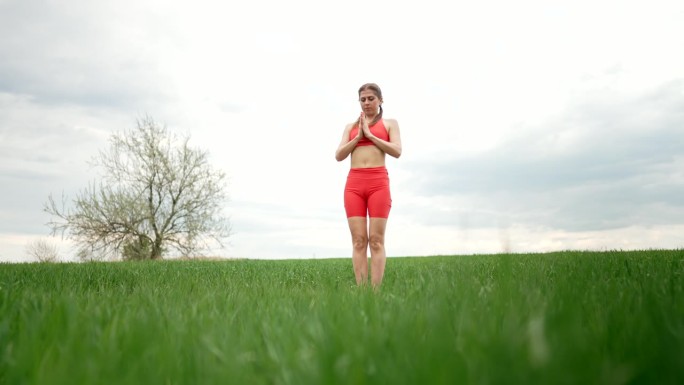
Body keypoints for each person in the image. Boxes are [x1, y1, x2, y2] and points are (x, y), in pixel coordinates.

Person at [335, 83, 402, 288]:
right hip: (354, 184)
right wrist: (358, 137)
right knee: (358, 241)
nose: (366, 103)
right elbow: (339, 155)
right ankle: (362, 292)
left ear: (380, 100)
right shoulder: (351, 127)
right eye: (363, 99)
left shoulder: (390, 124)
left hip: (378, 183)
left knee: (376, 240)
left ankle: (375, 295)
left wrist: (371, 135)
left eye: (371, 98)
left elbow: (397, 151)